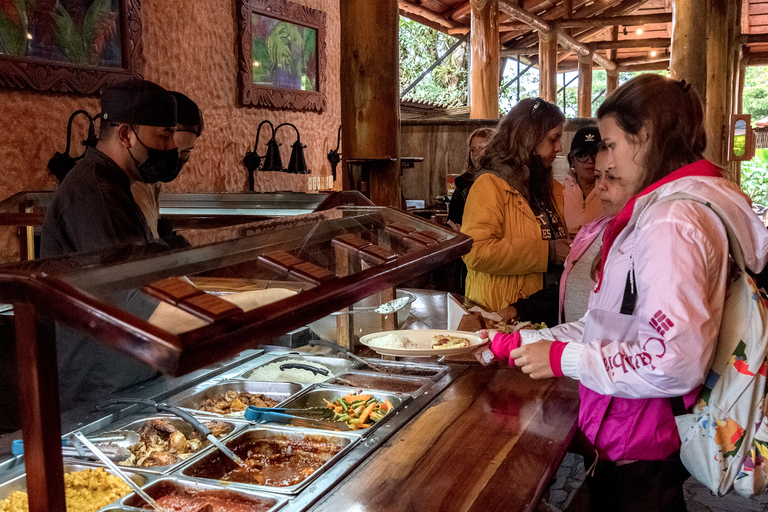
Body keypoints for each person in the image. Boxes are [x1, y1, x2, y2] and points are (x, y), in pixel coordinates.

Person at [477, 74, 768, 511]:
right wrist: (531, 341)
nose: (603, 161)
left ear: (646, 136)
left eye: (611, 144)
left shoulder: (671, 223)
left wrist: (561, 357)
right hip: (630, 424)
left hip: (642, 429)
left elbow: (673, 360)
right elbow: (612, 324)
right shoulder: (666, 212)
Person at [41, 79, 179, 257]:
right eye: (164, 136)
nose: (172, 146)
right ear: (126, 135)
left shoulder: (112, 183)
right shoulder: (96, 192)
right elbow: (129, 278)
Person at [461, 97, 571, 312]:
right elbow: (476, 251)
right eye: (553, 139)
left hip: (538, 309)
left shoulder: (546, 186)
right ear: (529, 138)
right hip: (499, 312)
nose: (559, 147)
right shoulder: (490, 185)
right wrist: (548, 252)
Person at [498, 145, 613, 327]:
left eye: (613, 177)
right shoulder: (595, 228)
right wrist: (520, 310)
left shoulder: (638, 234)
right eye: (598, 176)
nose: (600, 186)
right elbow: (566, 288)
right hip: (574, 344)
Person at [131, 91, 204, 238]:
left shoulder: (152, 185)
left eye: (185, 153)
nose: (175, 159)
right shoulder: (130, 188)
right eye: (171, 149)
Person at [447, 127, 494, 230]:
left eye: (482, 149)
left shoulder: (506, 181)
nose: (476, 153)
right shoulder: (463, 184)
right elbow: (453, 219)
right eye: (473, 150)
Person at [563, 125, 603, 237]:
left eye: (596, 154)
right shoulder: (557, 193)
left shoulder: (616, 195)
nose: (590, 161)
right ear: (571, 159)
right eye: (582, 155)